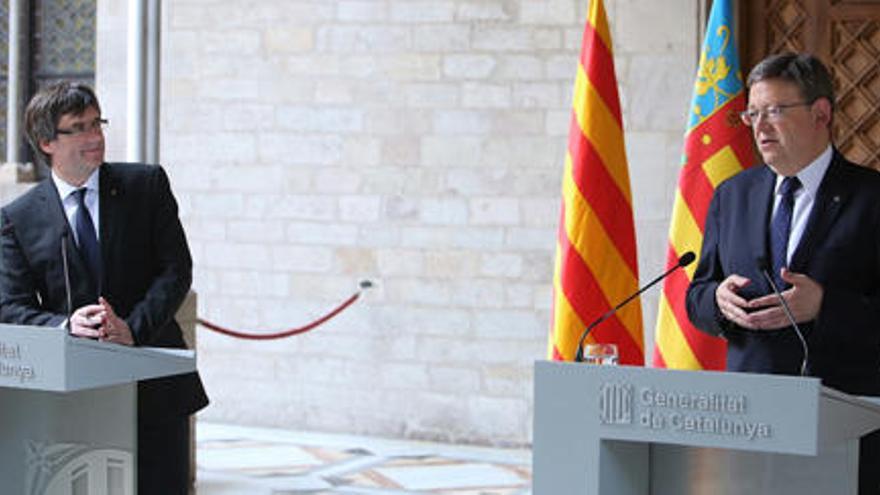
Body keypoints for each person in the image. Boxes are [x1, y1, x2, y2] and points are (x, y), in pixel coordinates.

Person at [0, 81, 208, 493]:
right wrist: (65, 326)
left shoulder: (146, 186)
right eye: (77, 127)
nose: (94, 137)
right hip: (68, 403)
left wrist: (132, 327)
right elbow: (10, 306)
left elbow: (175, 270)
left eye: (97, 123)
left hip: (155, 392)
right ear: (46, 142)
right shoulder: (17, 218)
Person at [686, 52, 880, 494]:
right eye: (752, 114)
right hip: (747, 421)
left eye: (774, 111)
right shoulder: (732, 195)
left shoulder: (871, 199)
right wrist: (716, 300)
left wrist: (825, 306)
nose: (759, 126)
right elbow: (696, 295)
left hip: (843, 426)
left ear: (821, 113)